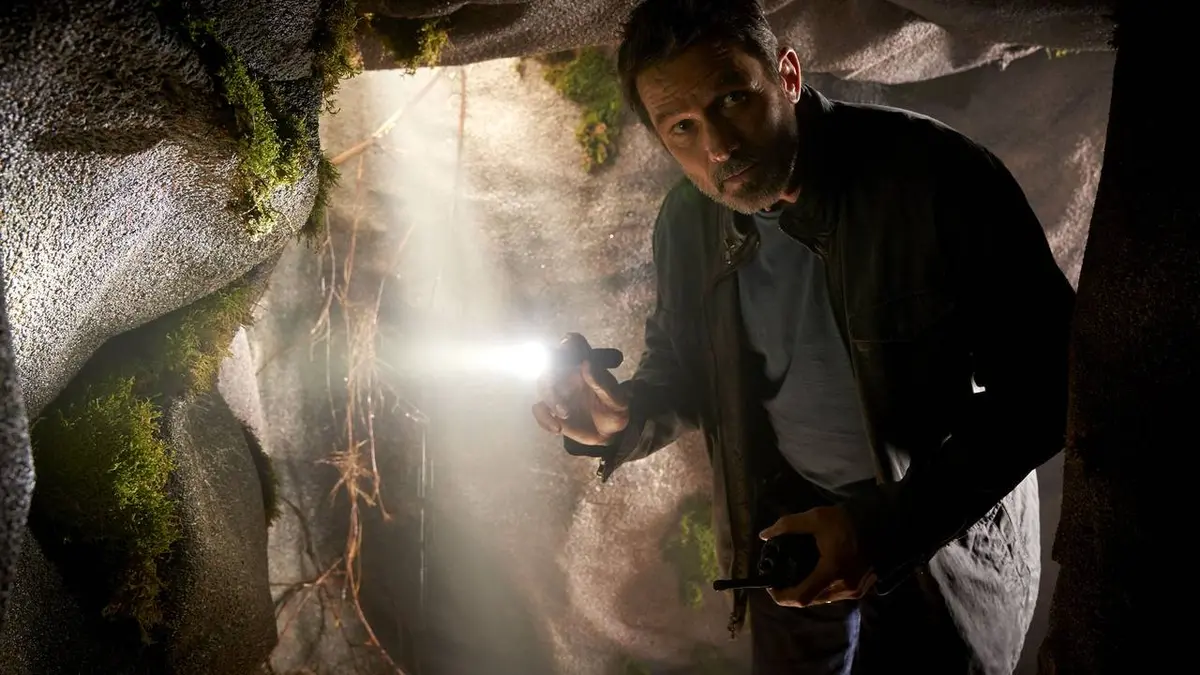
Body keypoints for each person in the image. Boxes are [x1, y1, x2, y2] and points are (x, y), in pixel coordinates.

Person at [531, 0, 1074, 672]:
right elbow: (683, 362)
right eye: (682, 127)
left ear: (786, 74)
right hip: (787, 521)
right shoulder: (687, 221)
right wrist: (628, 416)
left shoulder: (935, 175)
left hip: (935, 538)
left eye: (733, 98)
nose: (718, 146)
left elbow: (1050, 385)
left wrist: (883, 530)